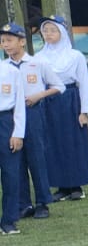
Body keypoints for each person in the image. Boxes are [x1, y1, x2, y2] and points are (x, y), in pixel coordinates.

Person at [0, 23, 62, 220]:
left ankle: (43, 201)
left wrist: (39, 95)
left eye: (9, 40)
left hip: (32, 113)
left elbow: (58, 86)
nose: (6, 45)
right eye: (3, 41)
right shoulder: (4, 67)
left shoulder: (37, 63)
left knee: (36, 157)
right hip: (11, 116)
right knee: (15, 159)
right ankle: (23, 203)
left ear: (22, 42)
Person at [35, 16, 88, 201]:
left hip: (70, 100)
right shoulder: (39, 57)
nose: (49, 34)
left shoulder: (75, 56)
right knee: (52, 143)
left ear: (62, 32)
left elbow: (83, 84)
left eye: (53, 30)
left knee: (72, 141)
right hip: (48, 102)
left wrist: (84, 111)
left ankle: (76, 185)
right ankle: (61, 186)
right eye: (45, 31)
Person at [0, 34, 26, 236]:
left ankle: (8, 220)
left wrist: (18, 133)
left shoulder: (10, 71)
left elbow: (19, 106)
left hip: (5, 122)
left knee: (10, 174)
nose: (4, 44)